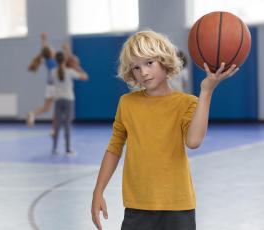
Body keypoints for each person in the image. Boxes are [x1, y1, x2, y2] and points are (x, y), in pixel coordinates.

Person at [91, 30, 238, 230]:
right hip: (137, 207)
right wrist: (98, 191)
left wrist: (206, 91)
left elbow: (193, 142)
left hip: (178, 207)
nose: (143, 72)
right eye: (136, 67)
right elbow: (114, 148)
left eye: (149, 63)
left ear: (165, 61)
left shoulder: (187, 103)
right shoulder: (127, 103)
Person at [51, 52, 88, 156]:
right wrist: (77, 66)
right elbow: (85, 77)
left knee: (57, 125)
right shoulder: (70, 71)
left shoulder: (53, 72)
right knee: (67, 125)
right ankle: (67, 149)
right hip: (68, 99)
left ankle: (54, 148)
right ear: (65, 60)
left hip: (58, 100)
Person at [27, 33, 57, 127]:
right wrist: (44, 40)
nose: (54, 50)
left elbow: (44, 49)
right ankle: (54, 128)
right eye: (53, 50)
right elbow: (45, 49)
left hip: (49, 86)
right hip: (56, 86)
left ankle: (33, 114)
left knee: (46, 108)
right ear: (51, 53)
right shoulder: (55, 62)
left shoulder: (47, 60)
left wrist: (43, 40)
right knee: (58, 109)